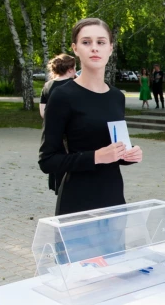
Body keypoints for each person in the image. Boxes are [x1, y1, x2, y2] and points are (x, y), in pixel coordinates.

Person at [39, 18, 143, 216]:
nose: (94, 48)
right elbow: (47, 161)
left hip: (113, 199)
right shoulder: (62, 96)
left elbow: (114, 150)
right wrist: (96, 157)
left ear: (111, 48)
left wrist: (128, 155)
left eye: (101, 42)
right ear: (75, 48)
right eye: (86, 42)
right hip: (78, 201)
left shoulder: (116, 97)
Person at [39, 53, 76, 195]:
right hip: (71, 134)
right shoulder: (73, 85)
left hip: (53, 133)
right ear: (71, 69)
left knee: (57, 161)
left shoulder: (47, 86)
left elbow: (43, 112)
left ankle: (59, 191)